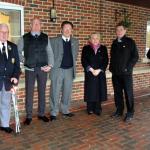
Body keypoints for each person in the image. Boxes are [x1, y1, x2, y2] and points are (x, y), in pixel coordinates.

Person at [17, 18, 54, 125]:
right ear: (31, 25)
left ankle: (41, 114)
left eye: (38, 24)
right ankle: (29, 116)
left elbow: (50, 53)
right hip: (30, 69)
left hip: (43, 69)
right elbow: (18, 52)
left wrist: (50, 65)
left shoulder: (45, 37)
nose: (36, 26)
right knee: (29, 92)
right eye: (34, 24)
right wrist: (25, 60)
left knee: (42, 91)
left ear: (41, 26)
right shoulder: (24, 38)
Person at [109, 22, 139, 122]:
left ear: (125, 31)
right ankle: (119, 110)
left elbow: (135, 57)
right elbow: (112, 57)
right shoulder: (114, 43)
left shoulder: (130, 42)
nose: (119, 31)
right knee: (117, 93)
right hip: (115, 73)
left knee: (128, 93)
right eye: (117, 30)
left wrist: (128, 68)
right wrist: (111, 68)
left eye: (121, 29)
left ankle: (130, 112)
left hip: (126, 74)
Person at [49, 21, 79, 121]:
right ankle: (54, 112)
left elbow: (74, 56)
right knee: (55, 91)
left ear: (72, 30)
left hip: (69, 70)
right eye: (65, 28)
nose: (67, 30)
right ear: (61, 29)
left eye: (69, 28)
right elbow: (48, 54)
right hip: (57, 70)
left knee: (67, 92)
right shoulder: (53, 41)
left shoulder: (75, 41)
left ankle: (65, 110)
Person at [81, 33, 108, 115]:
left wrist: (99, 70)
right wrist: (91, 70)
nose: (95, 40)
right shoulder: (86, 48)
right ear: (90, 39)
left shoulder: (103, 48)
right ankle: (89, 108)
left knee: (98, 90)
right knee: (90, 90)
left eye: (97, 38)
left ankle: (98, 108)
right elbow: (83, 60)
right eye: (93, 38)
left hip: (100, 73)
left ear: (99, 39)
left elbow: (106, 60)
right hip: (90, 73)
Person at [0, 23, 20, 133]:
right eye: (2, 32)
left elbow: (17, 66)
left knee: (6, 103)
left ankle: (4, 124)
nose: (4, 34)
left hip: (7, 82)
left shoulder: (13, 47)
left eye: (6, 32)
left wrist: (15, 77)